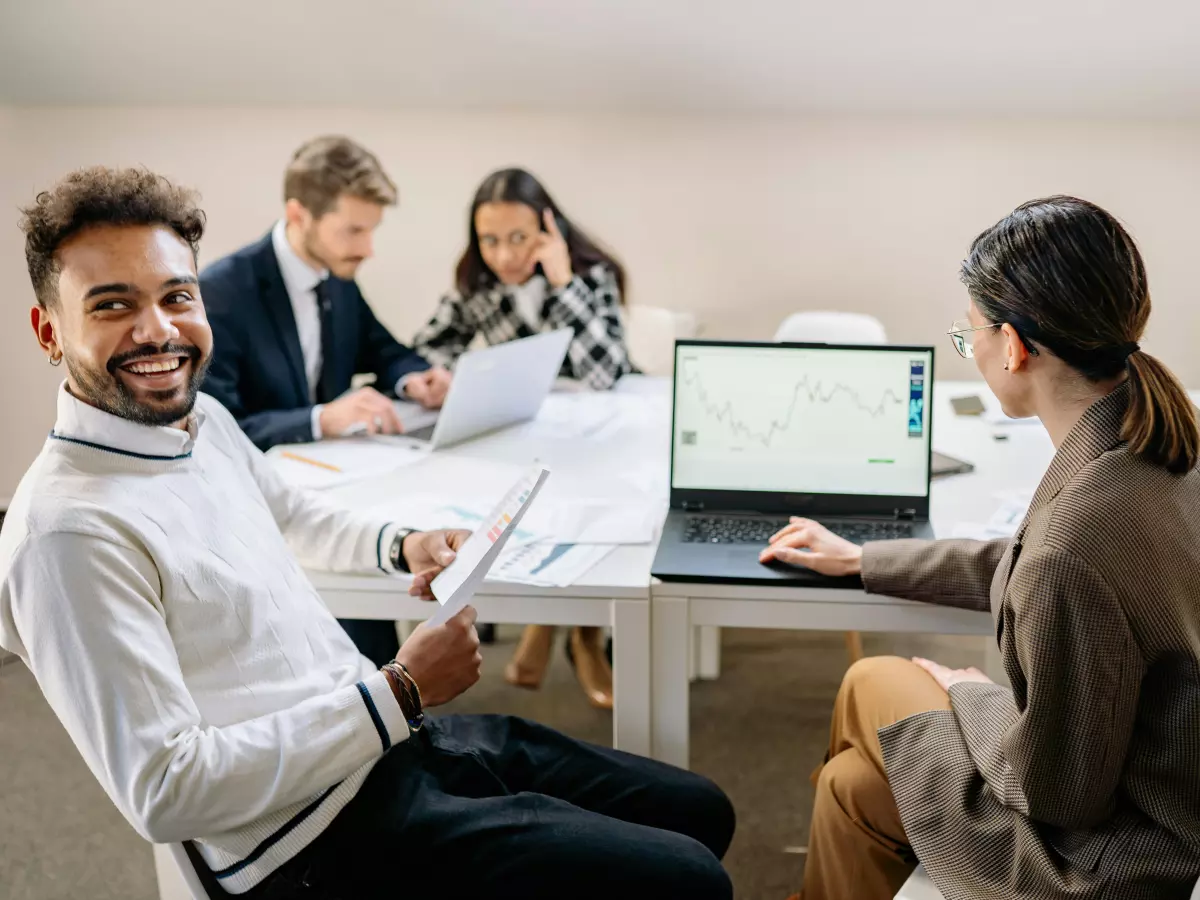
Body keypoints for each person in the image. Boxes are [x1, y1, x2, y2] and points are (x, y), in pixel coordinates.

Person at [0, 167, 736, 900]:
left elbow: (295, 515)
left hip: (382, 743)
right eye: (112, 304)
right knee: (690, 880)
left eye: (177, 296)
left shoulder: (201, 424)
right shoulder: (66, 534)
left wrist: (403, 544)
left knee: (701, 809)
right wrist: (402, 690)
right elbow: (167, 791)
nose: (158, 329)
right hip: (314, 840)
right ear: (49, 332)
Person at [762, 196, 1200, 900]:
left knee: (868, 691)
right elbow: (1027, 563)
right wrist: (865, 560)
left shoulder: (1077, 539)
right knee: (851, 784)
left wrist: (969, 693)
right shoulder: (1157, 447)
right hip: (1149, 805)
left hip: (1104, 862)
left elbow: (1055, 792)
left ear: (1016, 346)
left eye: (971, 338)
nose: (973, 354)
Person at [201, 136, 453, 666]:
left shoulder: (337, 279)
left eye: (371, 230)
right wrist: (321, 418)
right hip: (262, 503)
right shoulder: (223, 292)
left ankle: (387, 687)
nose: (367, 248)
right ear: (299, 214)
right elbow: (214, 425)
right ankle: (377, 696)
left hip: (342, 479)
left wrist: (414, 381)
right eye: (354, 231)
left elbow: (383, 349)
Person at [414, 167, 635, 709]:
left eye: (518, 237)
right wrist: (438, 376)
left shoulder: (591, 274)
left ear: (548, 229)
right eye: (490, 240)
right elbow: (425, 348)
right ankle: (567, 630)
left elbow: (605, 371)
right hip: (527, 429)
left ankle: (566, 630)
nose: (505, 255)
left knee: (589, 495)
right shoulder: (479, 285)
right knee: (516, 490)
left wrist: (564, 284)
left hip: (596, 432)